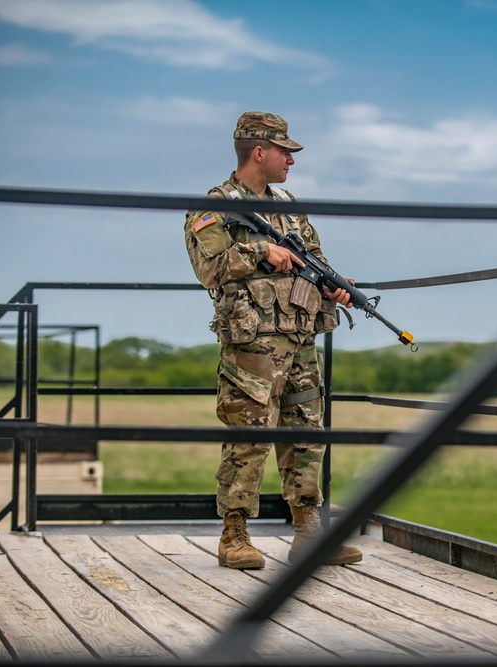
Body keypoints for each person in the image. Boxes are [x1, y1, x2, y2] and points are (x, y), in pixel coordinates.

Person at [184, 111, 362, 568]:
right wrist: (261, 250)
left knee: (306, 433)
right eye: (285, 151)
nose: (291, 161)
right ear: (258, 152)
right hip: (253, 343)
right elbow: (210, 269)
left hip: (299, 337)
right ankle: (234, 535)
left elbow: (315, 257)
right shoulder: (215, 206)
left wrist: (334, 283)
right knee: (250, 436)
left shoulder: (289, 204)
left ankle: (309, 534)